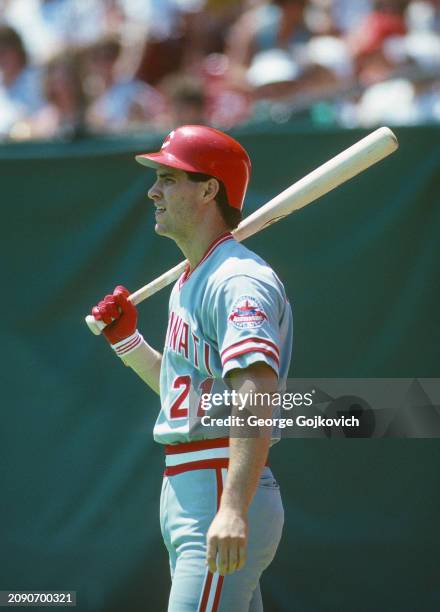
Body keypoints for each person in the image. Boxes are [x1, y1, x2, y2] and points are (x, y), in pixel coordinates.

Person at [90, 125, 293, 611]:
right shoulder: (192, 278)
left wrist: (232, 508)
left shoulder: (237, 279)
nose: (153, 190)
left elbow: (254, 394)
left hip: (219, 483)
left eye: (168, 177)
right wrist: (127, 342)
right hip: (194, 485)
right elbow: (186, 396)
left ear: (208, 189)